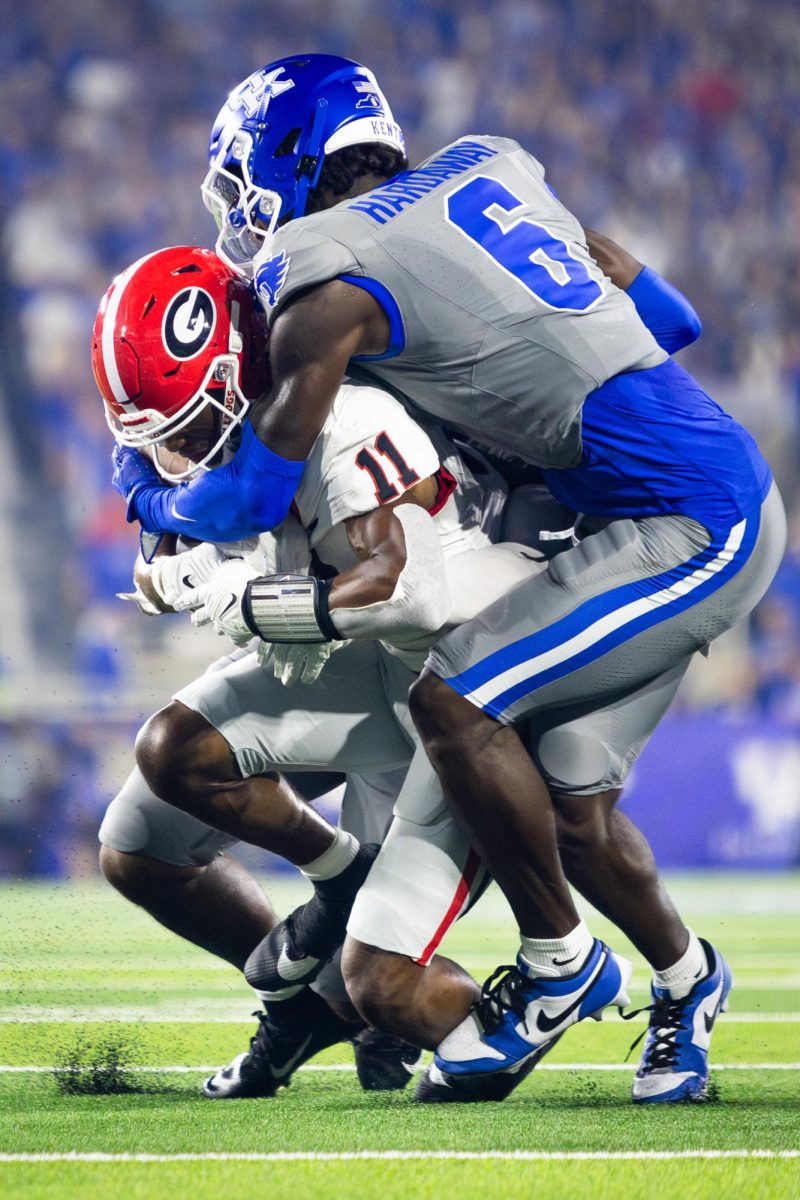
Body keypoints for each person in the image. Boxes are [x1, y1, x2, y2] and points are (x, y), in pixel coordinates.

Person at [108, 55, 785, 1104]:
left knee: (457, 699)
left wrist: (147, 502)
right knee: (569, 799)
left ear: (288, 171)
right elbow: (673, 319)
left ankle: (557, 968)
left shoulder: (317, 277)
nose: (247, 230)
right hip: (658, 497)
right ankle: (686, 983)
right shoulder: (490, 166)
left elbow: (245, 497)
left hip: (687, 521)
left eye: (247, 198)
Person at [94, 242, 551, 1098]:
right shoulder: (216, 450)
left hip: (445, 701)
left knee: (382, 993)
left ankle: (537, 987)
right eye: (160, 435)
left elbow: (406, 595)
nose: (180, 455)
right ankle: (321, 956)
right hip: (342, 670)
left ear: (243, 371)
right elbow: (185, 535)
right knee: (141, 833)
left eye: (190, 424)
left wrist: (249, 595)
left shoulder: (347, 418)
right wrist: (173, 570)